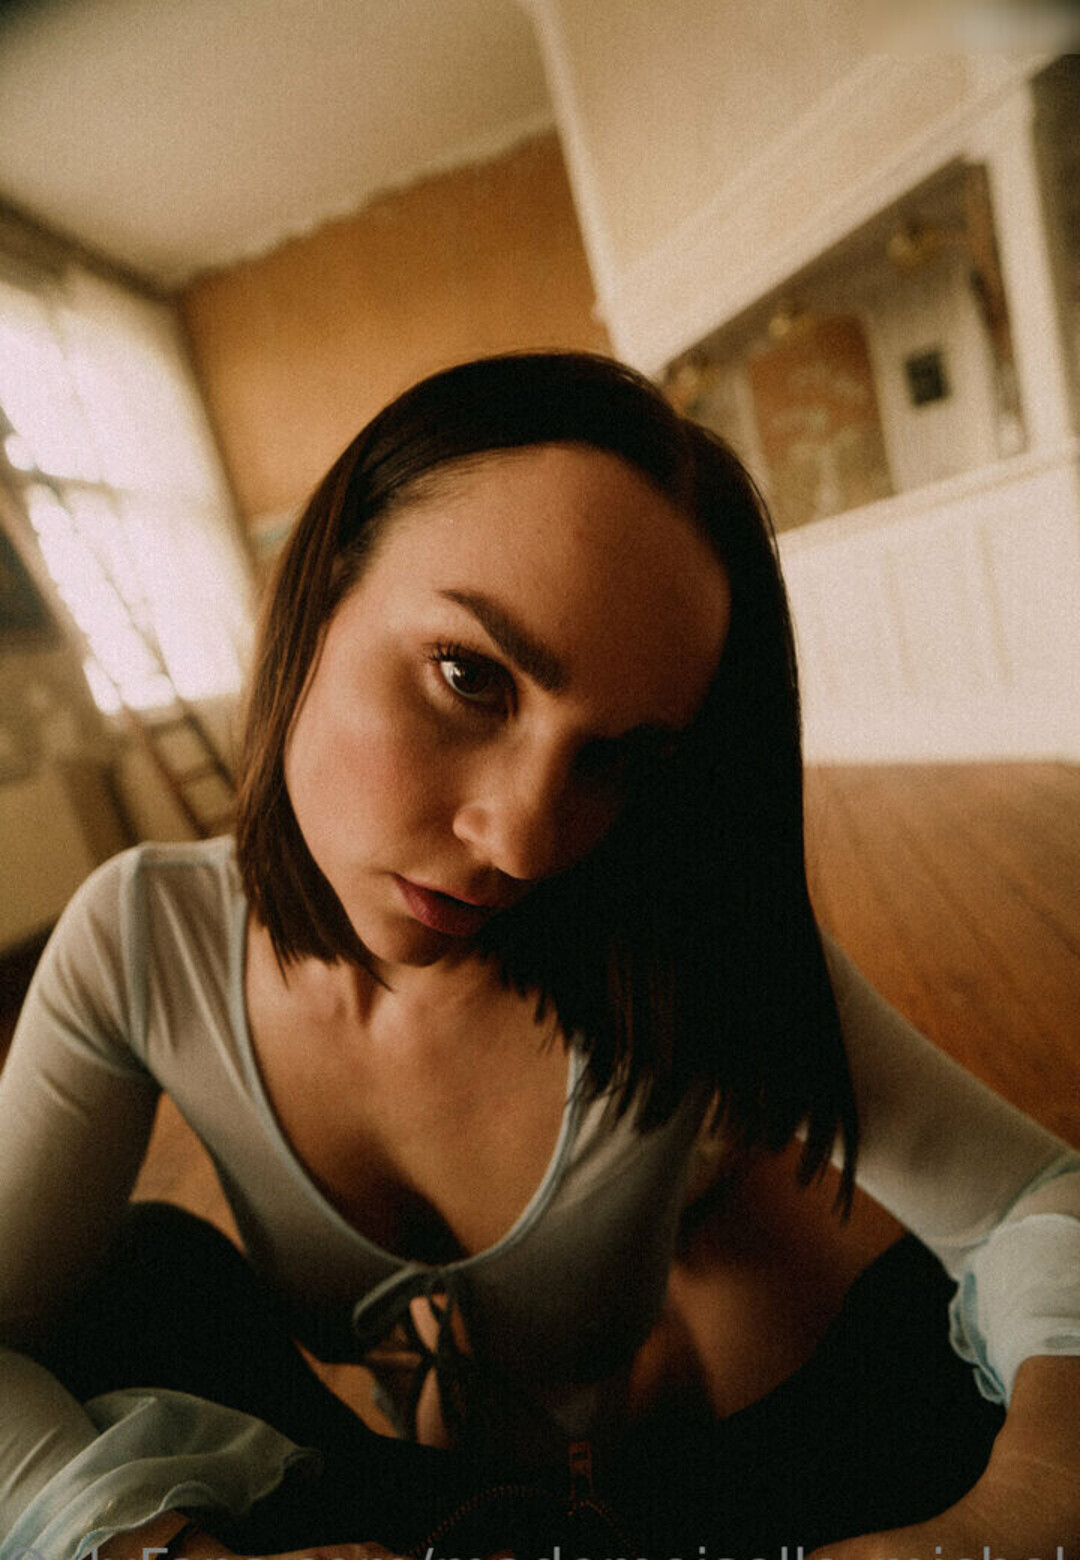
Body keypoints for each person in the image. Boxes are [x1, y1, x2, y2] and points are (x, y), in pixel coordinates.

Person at [1, 351, 1078, 1560]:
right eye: (470, 675)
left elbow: (1034, 1199)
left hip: (674, 1480)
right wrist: (146, 1546)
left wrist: (1036, 1495)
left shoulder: (669, 926)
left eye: (615, 758)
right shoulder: (141, 937)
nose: (521, 843)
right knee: (141, 1278)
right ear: (313, 594)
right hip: (391, 1487)